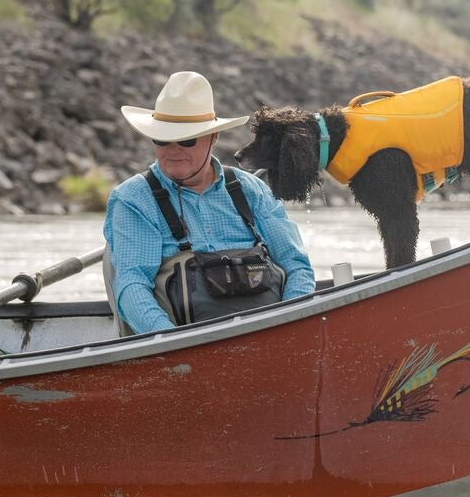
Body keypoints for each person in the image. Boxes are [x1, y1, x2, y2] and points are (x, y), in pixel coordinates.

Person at [104, 71, 315, 335]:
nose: (172, 149)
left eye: (186, 140)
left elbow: (297, 267)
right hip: (179, 346)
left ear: (213, 138)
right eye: (161, 139)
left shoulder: (252, 190)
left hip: (271, 337)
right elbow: (131, 285)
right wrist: (172, 343)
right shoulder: (133, 199)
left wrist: (288, 328)